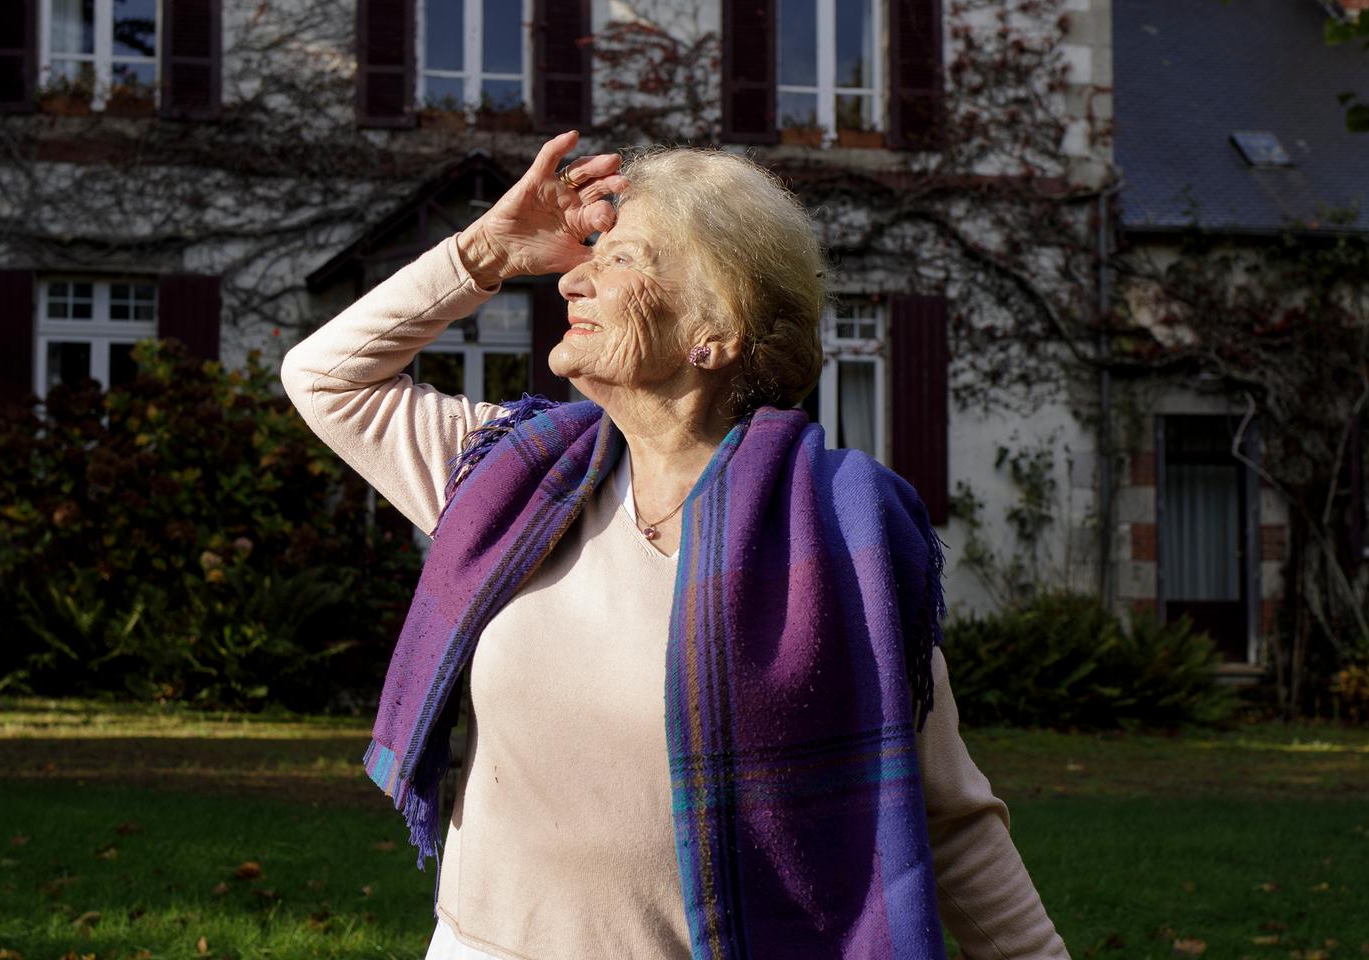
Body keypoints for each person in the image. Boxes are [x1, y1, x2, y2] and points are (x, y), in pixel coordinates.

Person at [281, 130, 1069, 960]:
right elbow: (325, 376)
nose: (573, 278)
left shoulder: (838, 539)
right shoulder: (512, 483)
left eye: (622, 259)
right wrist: (487, 250)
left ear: (715, 331)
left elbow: (948, 818)